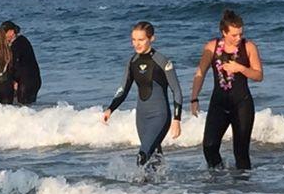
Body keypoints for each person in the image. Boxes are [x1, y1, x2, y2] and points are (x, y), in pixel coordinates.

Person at [102, 21, 182, 167]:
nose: (136, 44)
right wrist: (110, 108)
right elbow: (123, 88)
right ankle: (159, 187)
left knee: (142, 156)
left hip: (160, 116)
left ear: (151, 39)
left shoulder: (162, 61)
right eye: (133, 40)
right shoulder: (132, 61)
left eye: (141, 40)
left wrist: (177, 119)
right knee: (154, 158)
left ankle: (140, 187)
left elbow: (176, 90)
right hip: (142, 118)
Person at [190, 10, 263, 170]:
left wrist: (241, 68)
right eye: (234, 35)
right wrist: (194, 98)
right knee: (209, 147)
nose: (238, 38)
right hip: (219, 103)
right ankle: (220, 181)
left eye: (240, 34)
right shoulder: (212, 47)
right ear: (224, 32)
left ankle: (244, 189)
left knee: (241, 152)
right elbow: (200, 73)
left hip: (242, 104)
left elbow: (258, 76)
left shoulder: (249, 47)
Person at [1, 21, 41, 104]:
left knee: (23, 106)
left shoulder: (17, 44)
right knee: (28, 107)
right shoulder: (23, 40)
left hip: (26, 82)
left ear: (11, 32)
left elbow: (15, 64)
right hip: (34, 80)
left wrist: (13, 80)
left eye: (4, 33)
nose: (2, 36)